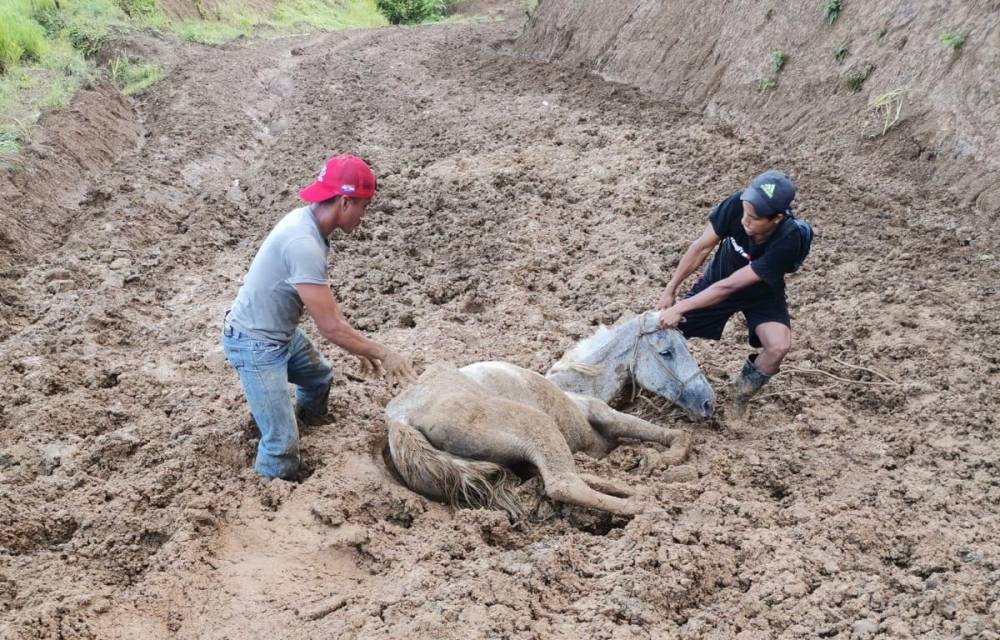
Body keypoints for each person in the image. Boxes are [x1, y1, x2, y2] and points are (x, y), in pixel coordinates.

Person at [222, 154, 417, 480]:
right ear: (344, 202)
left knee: (319, 378)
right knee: (281, 445)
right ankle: (270, 496)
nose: (364, 215)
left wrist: (360, 347)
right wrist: (381, 353)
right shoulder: (304, 243)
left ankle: (307, 424)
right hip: (255, 343)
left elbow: (329, 315)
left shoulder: (309, 225)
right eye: (363, 206)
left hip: (279, 332)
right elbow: (330, 326)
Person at [657, 170, 810, 419]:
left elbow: (729, 288)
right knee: (662, 331)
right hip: (716, 278)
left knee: (779, 345)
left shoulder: (788, 241)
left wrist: (681, 307)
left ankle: (739, 397)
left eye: (754, 218)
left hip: (760, 293)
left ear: (777, 219)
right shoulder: (738, 205)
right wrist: (671, 290)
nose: (744, 221)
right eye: (745, 212)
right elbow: (700, 247)